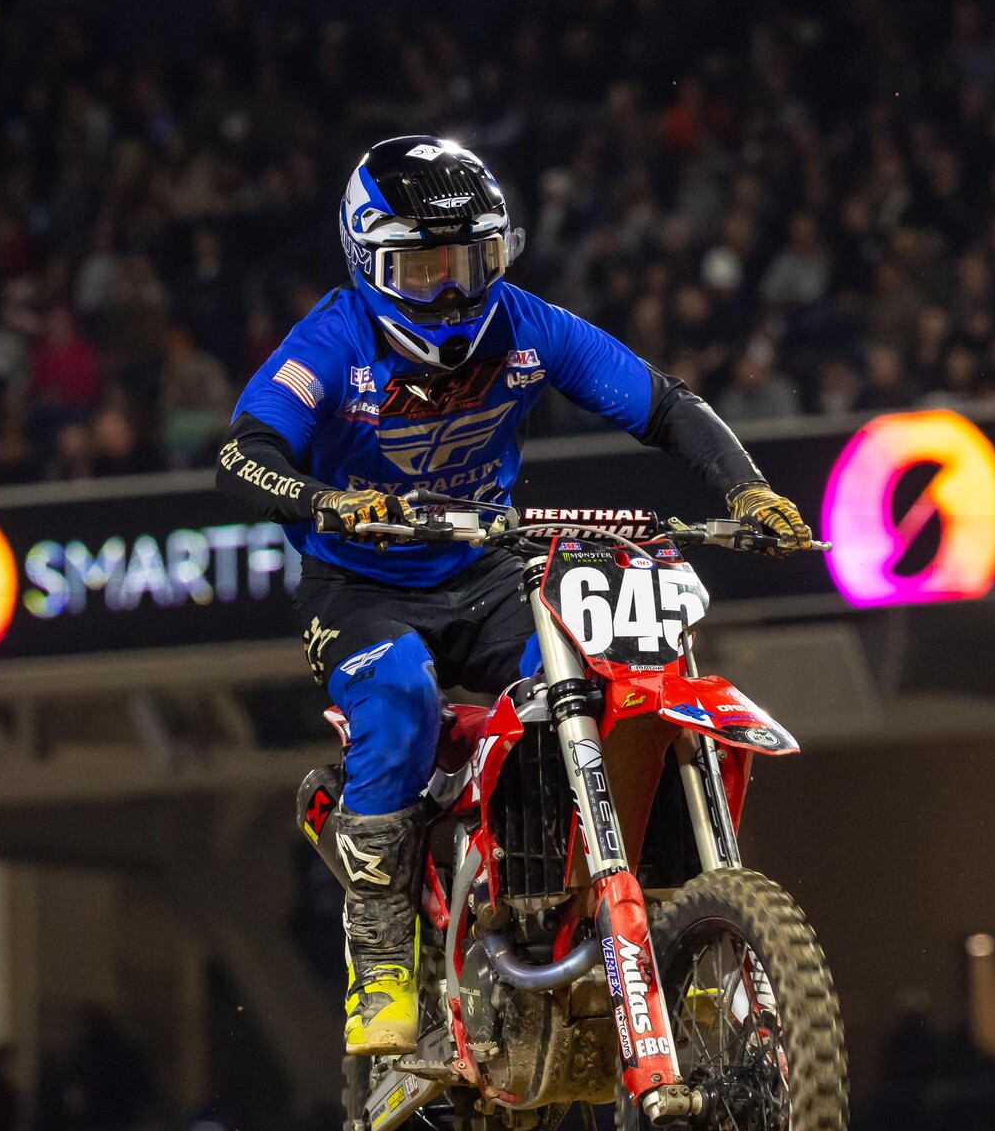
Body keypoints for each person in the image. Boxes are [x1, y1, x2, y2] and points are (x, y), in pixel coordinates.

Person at [213, 136, 812, 1054]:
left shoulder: (528, 325)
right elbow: (241, 456)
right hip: (361, 584)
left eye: (470, 263)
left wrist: (749, 489)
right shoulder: (329, 342)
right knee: (402, 698)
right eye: (422, 269)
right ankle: (378, 957)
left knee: (609, 687)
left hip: (490, 571)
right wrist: (329, 501)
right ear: (368, 262)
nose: (452, 292)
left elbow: (665, 403)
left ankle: (643, 923)